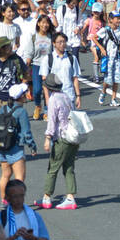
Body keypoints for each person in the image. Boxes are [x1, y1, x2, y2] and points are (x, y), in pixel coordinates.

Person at [41, 74, 80, 210]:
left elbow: (52, 121)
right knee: (69, 167)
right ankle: (70, 197)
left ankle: (47, 197)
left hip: (62, 137)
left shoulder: (53, 99)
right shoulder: (66, 96)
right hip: (72, 137)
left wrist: (48, 138)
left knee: (53, 167)